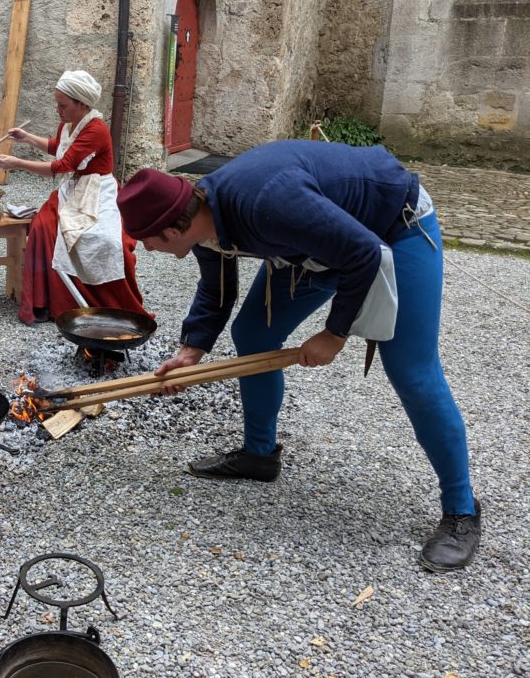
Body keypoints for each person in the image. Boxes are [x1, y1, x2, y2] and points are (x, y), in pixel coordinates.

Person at [116, 140, 480, 572]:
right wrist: (193, 349)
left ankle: (462, 510)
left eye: (145, 242)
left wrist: (334, 333)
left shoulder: (268, 202)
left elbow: (362, 252)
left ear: (171, 230)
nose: (147, 250)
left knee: (411, 371)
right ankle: (259, 455)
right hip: (321, 245)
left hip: (391, 227)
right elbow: (216, 286)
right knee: (253, 332)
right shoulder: (199, 213)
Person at [0, 70, 149, 324]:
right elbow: (59, 147)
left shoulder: (96, 129)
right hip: (74, 189)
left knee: (109, 243)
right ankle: (43, 302)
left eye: (63, 105)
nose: (58, 109)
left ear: (82, 104)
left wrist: (17, 164)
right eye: (57, 103)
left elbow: (62, 165)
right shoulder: (69, 123)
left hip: (97, 191)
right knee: (43, 226)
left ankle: (111, 304)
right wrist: (27, 138)